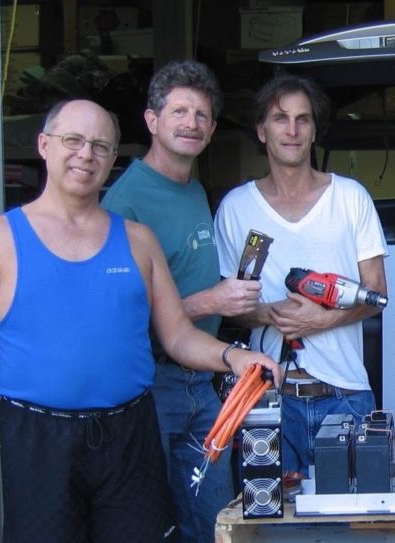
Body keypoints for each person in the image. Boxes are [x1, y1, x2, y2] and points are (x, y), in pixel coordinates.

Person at [0, 99, 282, 542]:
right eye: (73, 141)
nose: (86, 154)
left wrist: (233, 356)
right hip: (38, 439)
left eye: (100, 146)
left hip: (129, 436)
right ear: (44, 146)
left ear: (113, 159)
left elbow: (177, 335)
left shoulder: (138, 242)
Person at [101, 60, 260, 542]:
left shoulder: (191, 189)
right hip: (152, 387)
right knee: (154, 523)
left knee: (216, 522)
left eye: (202, 115)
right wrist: (211, 299)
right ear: (152, 121)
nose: (191, 122)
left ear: (212, 130)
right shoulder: (124, 205)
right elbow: (120, 319)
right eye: (179, 111)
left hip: (202, 383)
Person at [213, 74, 387, 477]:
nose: (291, 130)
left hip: (345, 396)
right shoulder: (236, 208)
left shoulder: (350, 198)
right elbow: (229, 308)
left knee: (356, 528)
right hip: (267, 398)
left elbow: (377, 292)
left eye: (302, 119)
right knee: (269, 528)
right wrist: (269, 314)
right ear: (261, 130)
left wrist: (321, 319)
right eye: (280, 118)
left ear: (313, 131)